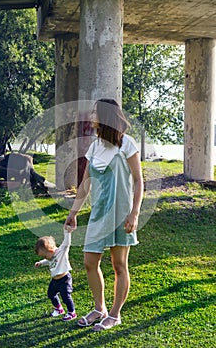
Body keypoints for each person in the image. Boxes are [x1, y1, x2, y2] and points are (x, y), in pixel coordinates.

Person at [64, 98, 144, 331]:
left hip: (121, 214)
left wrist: (135, 213)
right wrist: (73, 212)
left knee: (119, 265)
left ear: (106, 117)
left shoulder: (127, 144)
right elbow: (85, 183)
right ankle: (100, 309)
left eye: (95, 114)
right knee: (90, 262)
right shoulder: (95, 146)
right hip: (99, 215)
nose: (92, 118)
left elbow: (139, 181)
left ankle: (115, 314)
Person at [34, 228, 77, 321]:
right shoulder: (50, 256)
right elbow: (48, 260)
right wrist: (41, 262)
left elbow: (66, 243)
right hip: (55, 280)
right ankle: (59, 308)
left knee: (66, 297)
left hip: (64, 279)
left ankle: (72, 312)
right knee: (51, 294)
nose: (45, 258)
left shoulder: (61, 252)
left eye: (44, 256)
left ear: (51, 250)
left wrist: (67, 232)